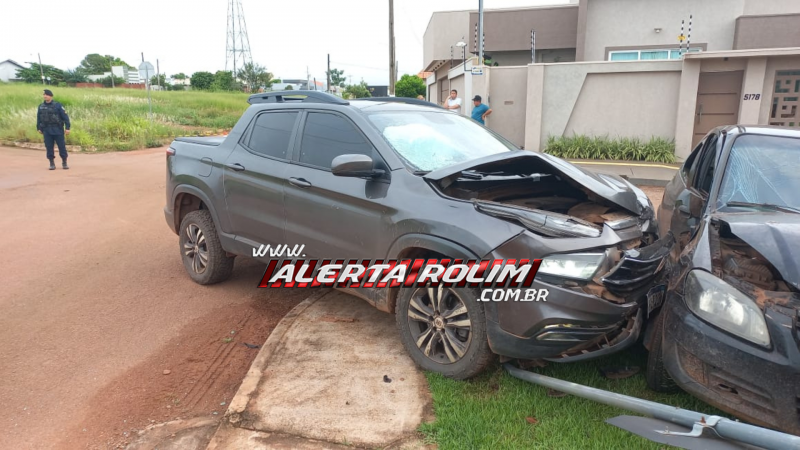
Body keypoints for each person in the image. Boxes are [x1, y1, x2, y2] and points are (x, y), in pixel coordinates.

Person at [37, 89, 71, 170]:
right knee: (49, 147)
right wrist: (39, 128)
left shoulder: (58, 105)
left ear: (51, 96)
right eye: (44, 95)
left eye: (47, 95)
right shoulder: (41, 106)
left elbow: (65, 117)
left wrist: (67, 128)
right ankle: (51, 163)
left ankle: (64, 162)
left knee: (61, 146)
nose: (45, 96)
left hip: (57, 129)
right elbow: (39, 118)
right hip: (47, 130)